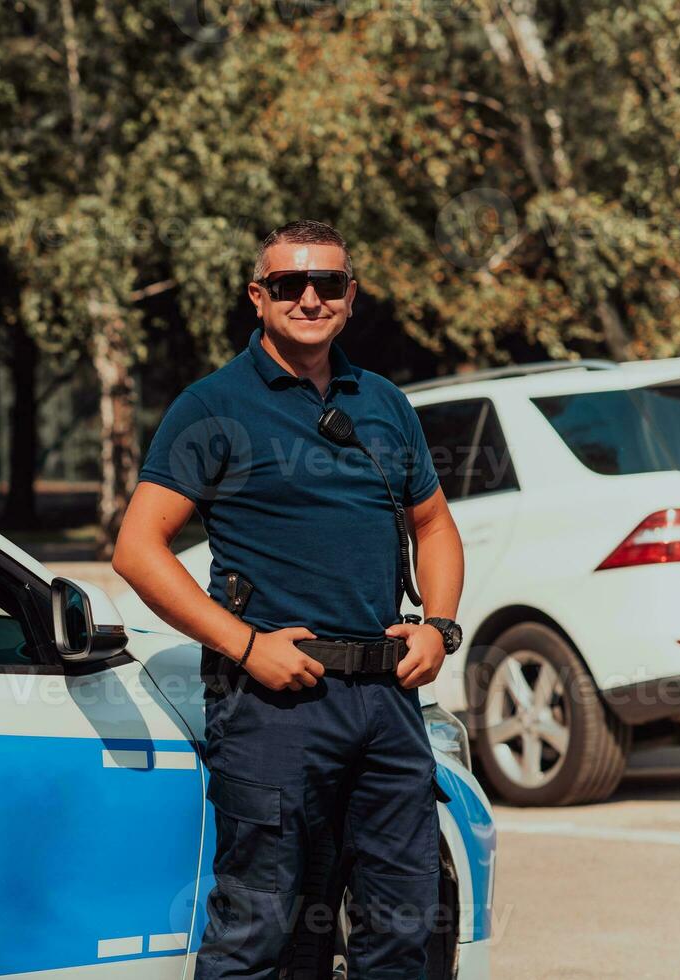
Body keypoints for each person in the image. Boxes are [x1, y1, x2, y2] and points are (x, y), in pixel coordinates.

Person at [113, 220, 466, 978]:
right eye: (288, 285)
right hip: (274, 706)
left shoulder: (383, 403)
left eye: (328, 283)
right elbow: (138, 550)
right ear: (257, 296)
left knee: (403, 932)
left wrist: (439, 626)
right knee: (260, 933)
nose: (310, 297)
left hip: (386, 699)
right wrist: (244, 645)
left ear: (351, 294)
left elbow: (434, 525)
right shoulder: (212, 406)